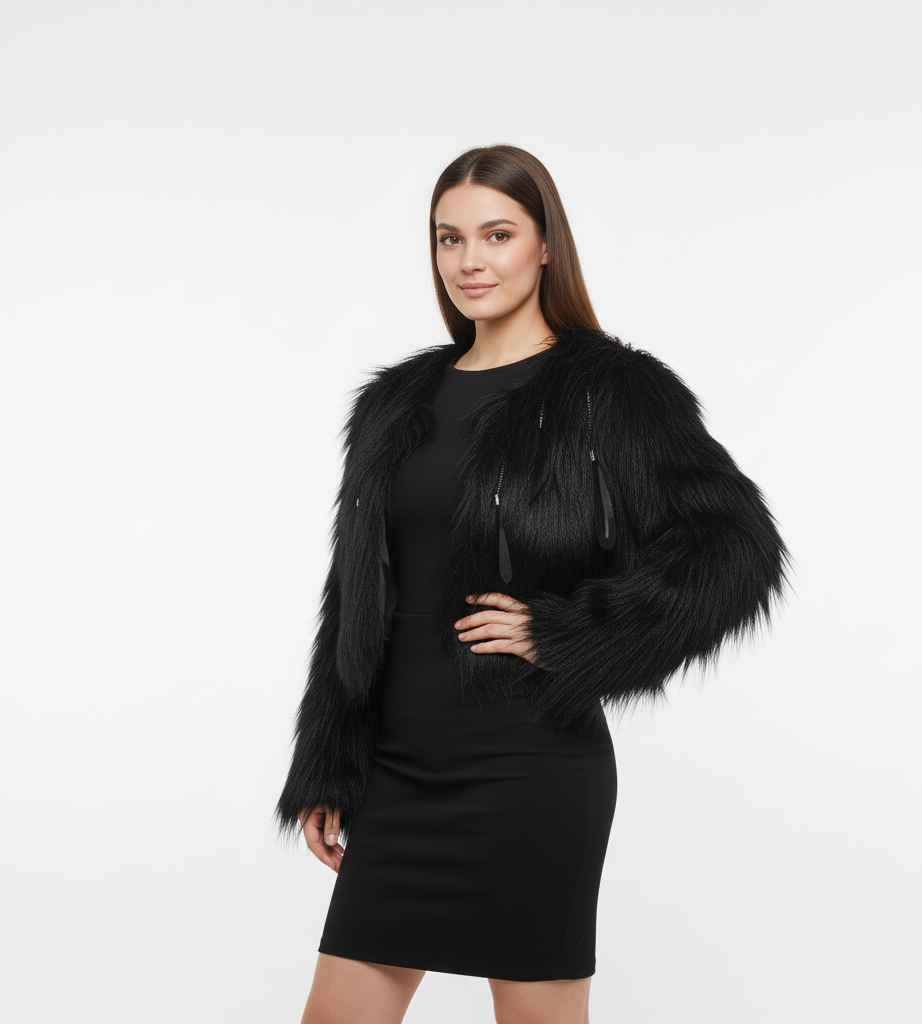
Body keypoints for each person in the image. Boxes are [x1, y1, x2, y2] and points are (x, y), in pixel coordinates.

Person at [276, 144, 790, 1024]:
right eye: (449, 238)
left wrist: (568, 632)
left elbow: (735, 545)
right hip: (396, 771)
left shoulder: (613, 393)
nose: (470, 261)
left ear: (546, 245)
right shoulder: (393, 404)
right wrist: (329, 759)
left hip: (529, 767)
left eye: (497, 234)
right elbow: (353, 597)